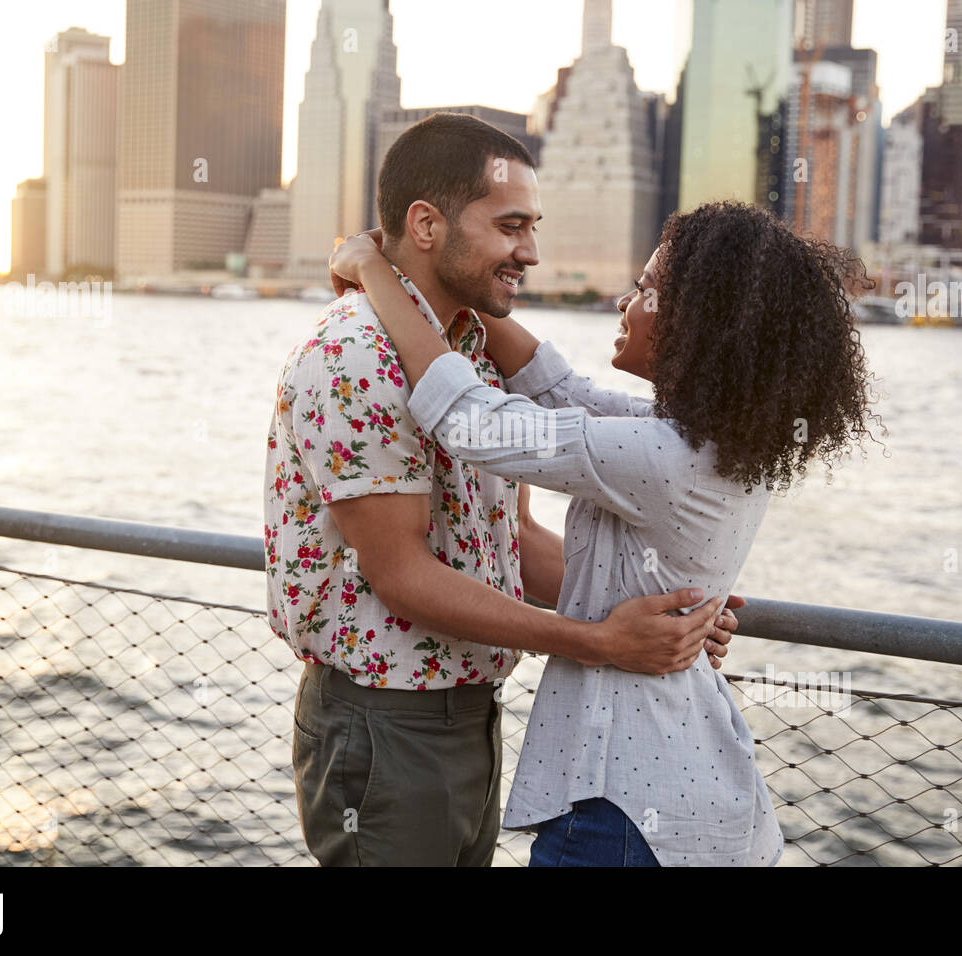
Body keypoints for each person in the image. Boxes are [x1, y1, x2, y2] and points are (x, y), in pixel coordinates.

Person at [326, 198, 883, 866]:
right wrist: (451, 292)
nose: (626, 298)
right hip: (694, 807)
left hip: (623, 816)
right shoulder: (713, 443)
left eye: (647, 289)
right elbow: (556, 388)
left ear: (699, 323)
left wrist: (375, 273)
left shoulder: (663, 456)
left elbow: (472, 422)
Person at [263, 112, 737, 867]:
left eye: (534, 227)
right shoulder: (354, 356)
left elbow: (509, 541)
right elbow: (402, 575)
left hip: (473, 712)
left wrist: (669, 617)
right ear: (425, 224)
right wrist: (601, 642)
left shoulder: (474, 358)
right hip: (386, 722)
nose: (531, 253)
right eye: (511, 226)